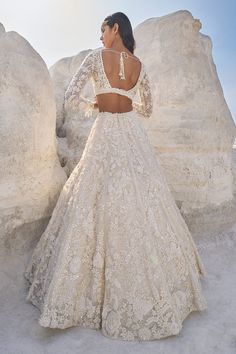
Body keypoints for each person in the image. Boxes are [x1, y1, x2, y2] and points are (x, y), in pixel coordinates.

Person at [24, 12, 207, 341]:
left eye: (102, 29)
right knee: (144, 198)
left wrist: (94, 103)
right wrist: (128, 103)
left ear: (115, 29)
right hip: (132, 133)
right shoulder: (140, 66)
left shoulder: (97, 58)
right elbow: (148, 109)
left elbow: (70, 93)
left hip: (106, 130)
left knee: (94, 196)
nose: (100, 36)